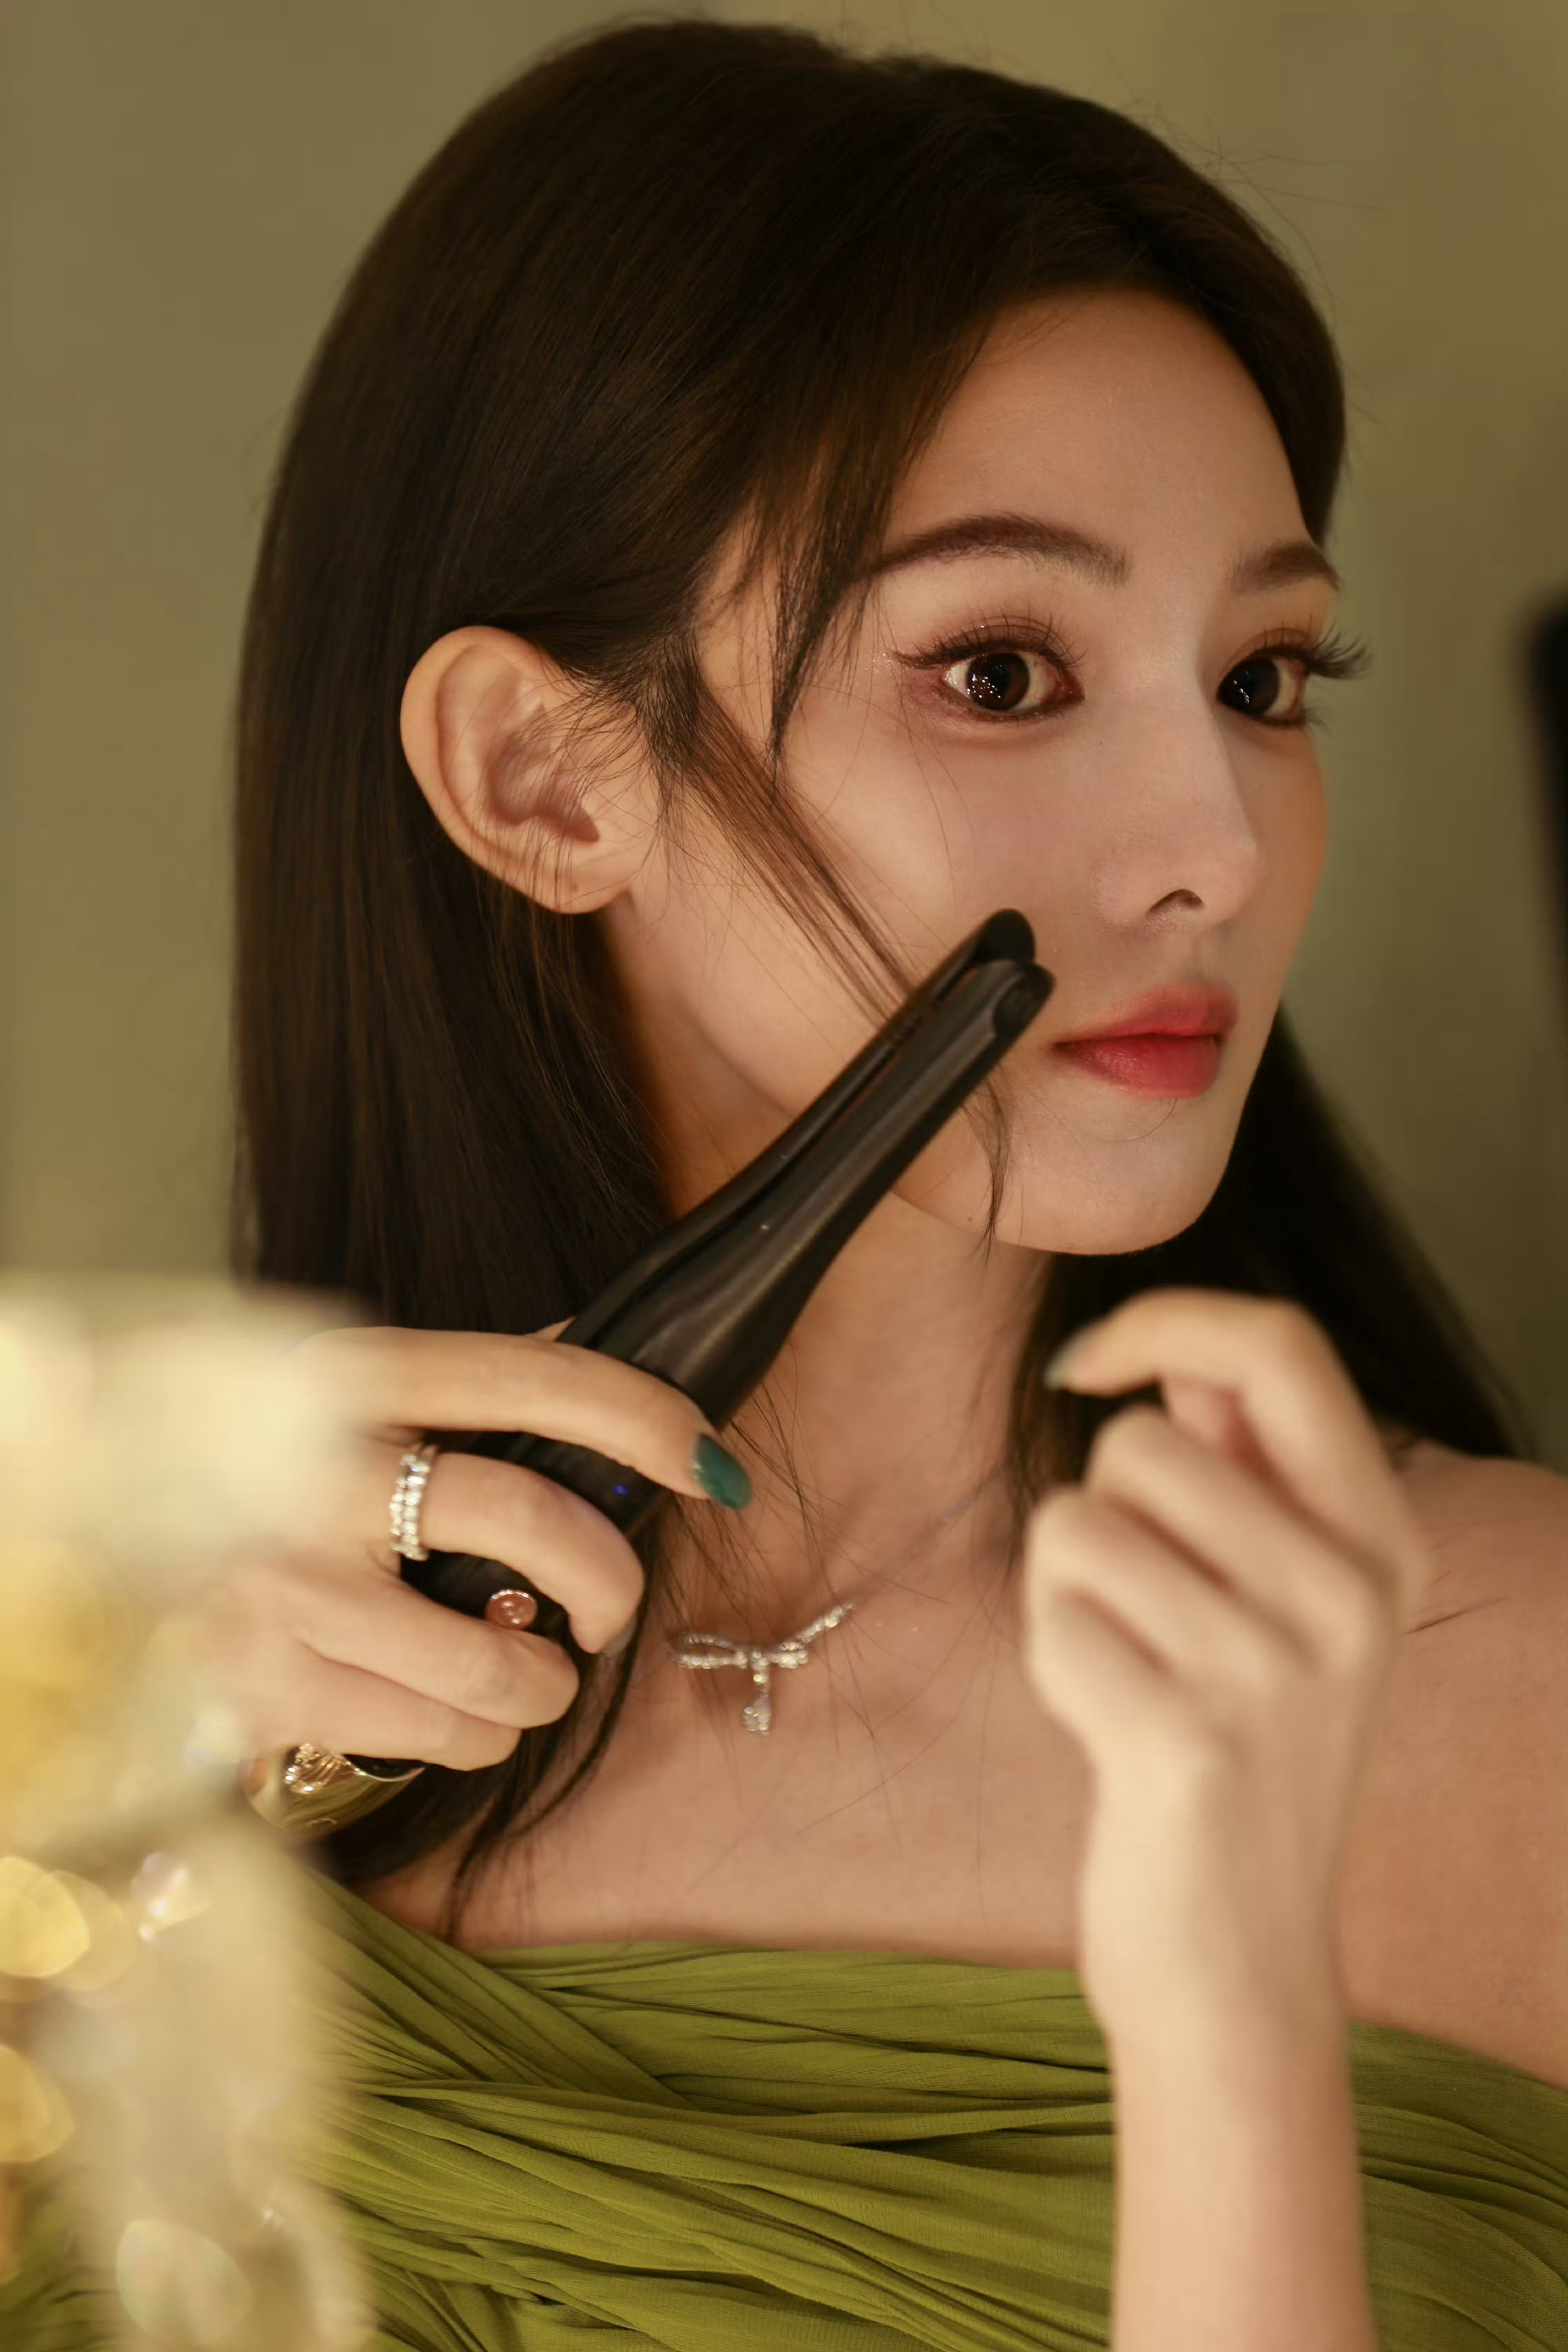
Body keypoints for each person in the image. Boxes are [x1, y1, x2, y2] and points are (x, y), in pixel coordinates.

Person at [9, 19, 1565, 2350]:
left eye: (1262, 677)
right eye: (1004, 671)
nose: (1221, 853)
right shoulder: (130, 1696)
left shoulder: (1512, 1693)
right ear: (542, 777)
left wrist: (1232, 1997)